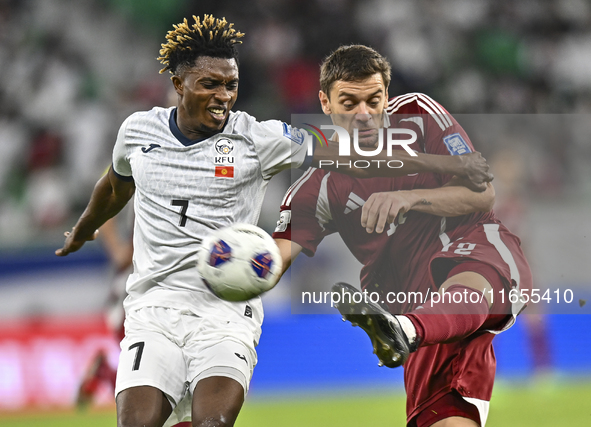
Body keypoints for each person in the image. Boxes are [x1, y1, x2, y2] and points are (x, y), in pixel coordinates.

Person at [55, 16, 492, 427]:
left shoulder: (257, 137)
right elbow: (114, 187)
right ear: (178, 84)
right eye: (210, 84)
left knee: (213, 421)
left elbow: (353, 153)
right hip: (154, 309)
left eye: (232, 85)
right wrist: (81, 230)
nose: (224, 95)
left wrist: (449, 166)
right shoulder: (138, 131)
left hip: (226, 312)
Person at [273, 45, 532, 427]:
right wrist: (242, 265)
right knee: (444, 420)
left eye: (373, 100)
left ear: (387, 97)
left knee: (474, 274)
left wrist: (408, 197)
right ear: (325, 103)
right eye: (349, 102)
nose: (364, 114)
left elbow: (483, 193)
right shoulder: (318, 185)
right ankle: (406, 328)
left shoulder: (418, 115)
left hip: (472, 248)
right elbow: (275, 256)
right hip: (417, 307)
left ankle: (404, 329)